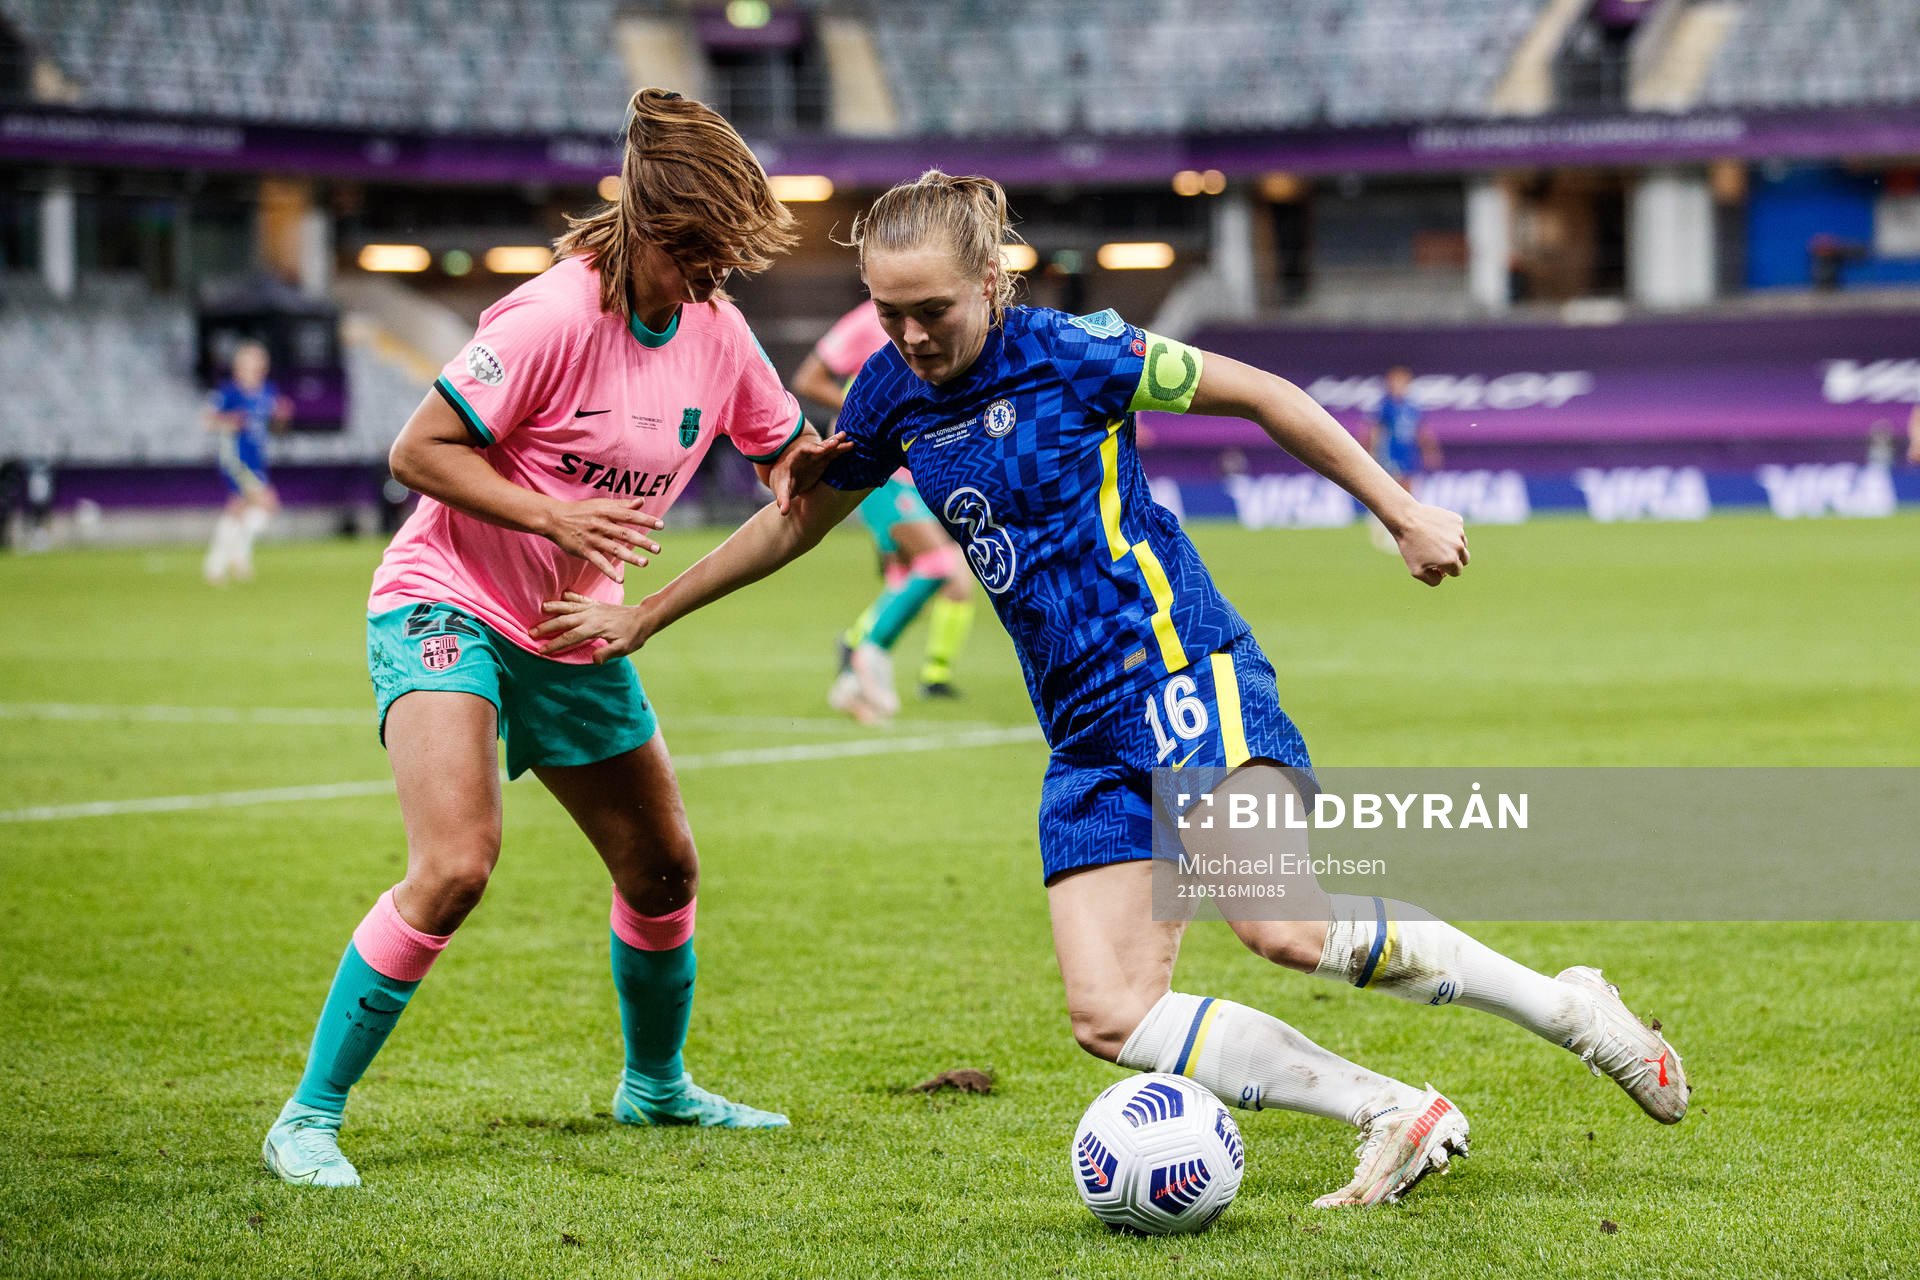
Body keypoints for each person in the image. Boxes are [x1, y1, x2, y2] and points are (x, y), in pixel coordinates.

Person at [533, 171, 1689, 1210]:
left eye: (932, 309)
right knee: (1110, 1012)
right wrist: (645, 611)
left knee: (1281, 921)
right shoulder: (889, 393)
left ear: (993, 282)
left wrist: (1402, 510)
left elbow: (1266, 394)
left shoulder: (1079, 350)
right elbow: (795, 520)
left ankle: (1571, 1010)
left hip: (1182, 668)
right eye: (888, 311)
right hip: (1083, 731)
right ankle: (1393, 1108)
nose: (911, 334)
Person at [261, 89, 843, 1189]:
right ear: (645, 224)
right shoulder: (550, 317)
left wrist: (800, 467)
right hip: (446, 601)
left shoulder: (717, 330)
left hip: (574, 629)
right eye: (695, 255)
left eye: (725, 260)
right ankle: (307, 1118)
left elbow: (781, 455)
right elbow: (417, 451)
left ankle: (656, 1087)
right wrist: (552, 514)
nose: (712, 277)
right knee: (455, 865)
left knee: (663, 870)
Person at [792, 301, 975, 719]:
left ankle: (855, 675)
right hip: (873, 464)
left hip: (914, 470)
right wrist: (872, 412)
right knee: (939, 564)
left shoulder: (936, 321)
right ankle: (866, 651)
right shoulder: (865, 321)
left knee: (913, 579)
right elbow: (808, 378)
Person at [203, 340, 291, 584]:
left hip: (256, 460)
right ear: (239, 366)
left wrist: (282, 417)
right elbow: (208, 421)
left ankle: (221, 563)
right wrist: (229, 421)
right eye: (252, 361)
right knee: (267, 504)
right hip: (236, 458)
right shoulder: (229, 392)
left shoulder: (267, 392)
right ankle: (232, 558)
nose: (258, 366)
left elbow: (275, 428)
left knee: (238, 508)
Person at [1364, 365, 1440, 551]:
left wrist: (1429, 451)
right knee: (1392, 492)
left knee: (1408, 492)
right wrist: (1372, 452)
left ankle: (1403, 530)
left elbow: (1421, 430)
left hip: (1408, 453)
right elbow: (1375, 430)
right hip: (1390, 453)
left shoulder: (1411, 406)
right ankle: (1386, 529)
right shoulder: (1385, 405)